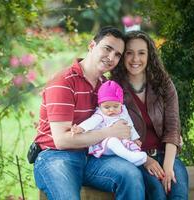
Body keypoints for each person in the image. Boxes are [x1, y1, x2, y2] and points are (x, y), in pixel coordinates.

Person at [32, 26, 145, 200]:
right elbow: (62, 141)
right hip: (55, 156)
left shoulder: (106, 87)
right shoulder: (63, 82)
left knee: (131, 175)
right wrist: (109, 133)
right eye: (107, 49)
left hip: (93, 155)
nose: (111, 58)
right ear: (92, 46)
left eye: (117, 55)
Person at [112, 30, 189, 199]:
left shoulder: (164, 84)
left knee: (178, 191)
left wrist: (168, 167)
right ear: (123, 56)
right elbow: (114, 133)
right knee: (158, 194)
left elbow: (173, 128)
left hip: (166, 155)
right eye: (129, 53)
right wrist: (145, 160)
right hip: (137, 159)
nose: (135, 59)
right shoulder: (114, 88)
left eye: (141, 53)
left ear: (150, 55)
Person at [71, 80, 147, 166]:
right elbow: (90, 122)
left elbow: (129, 126)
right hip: (105, 145)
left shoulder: (123, 111)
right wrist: (80, 128)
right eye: (107, 107)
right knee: (112, 141)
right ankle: (130, 157)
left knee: (132, 145)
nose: (111, 110)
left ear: (121, 104)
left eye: (115, 106)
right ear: (100, 106)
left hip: (122, 141)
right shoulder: (100, 115)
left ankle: (137, 157)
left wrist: (135, 139)